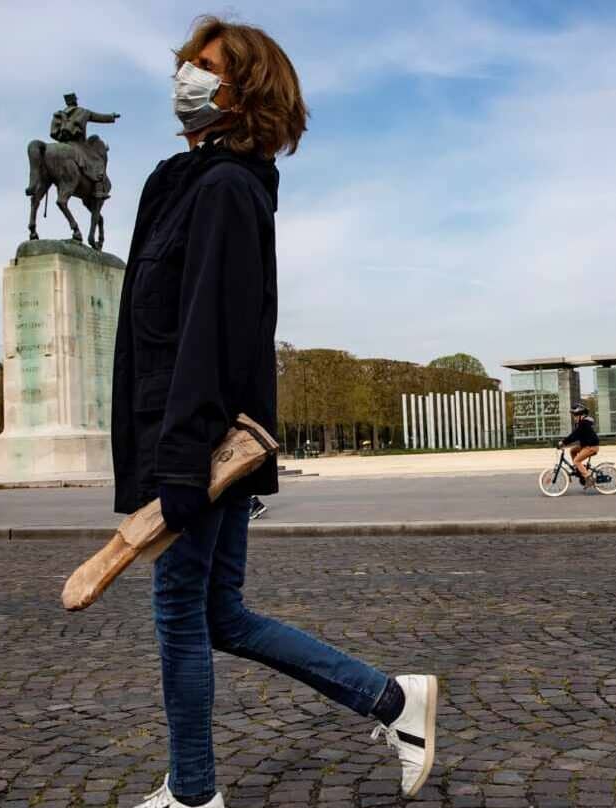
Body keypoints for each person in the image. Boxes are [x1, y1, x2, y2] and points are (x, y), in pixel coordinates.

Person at [109, 18, 437, 808]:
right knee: (219, 613)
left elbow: (208, 336)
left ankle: (192, 794)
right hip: (201, 434)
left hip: (199, 443)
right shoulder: (192, 184)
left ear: (243, 89)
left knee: (181, 612)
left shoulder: (223, 190)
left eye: (206, 65)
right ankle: (394, 701)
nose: (187, 75)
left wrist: (181, 463)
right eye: (187, 61)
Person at [558, 403, 600, 489]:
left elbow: (574, 435)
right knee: (573, 450)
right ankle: (578, 469)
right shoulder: (581, 423)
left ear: (581, 415)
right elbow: (576, 436)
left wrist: (563, 442)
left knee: (577, 461)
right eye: (574, 416)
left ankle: (589, 478)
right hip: (586, 445)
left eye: (575, 416)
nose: (574, 418)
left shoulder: (584, 424)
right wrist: (565, 443)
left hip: (591, 447)